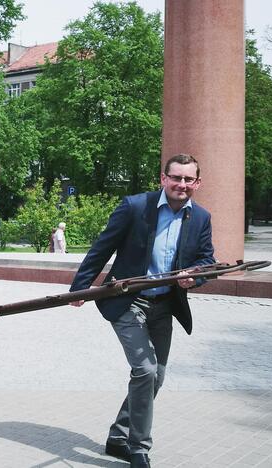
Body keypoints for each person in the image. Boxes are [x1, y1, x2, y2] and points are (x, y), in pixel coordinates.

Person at [69, 154, 215, 468]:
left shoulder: (201, 217)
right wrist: (80, 287)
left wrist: (196, 277)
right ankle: (138, 449)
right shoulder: (136, 207)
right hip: (127, 299)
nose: (182, 185)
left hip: (164, 305)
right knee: (145, 370)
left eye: (189, 179)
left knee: (156, 377)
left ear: (197, 183)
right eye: (176, 178)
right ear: (163, 179)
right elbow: (102, 247)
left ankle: (118, 437)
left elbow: (207, 260)